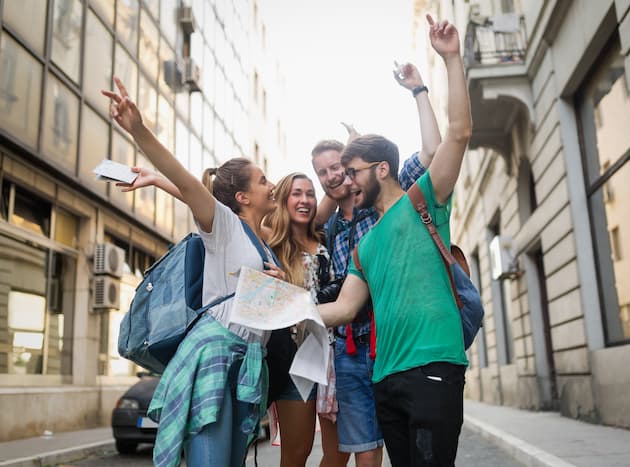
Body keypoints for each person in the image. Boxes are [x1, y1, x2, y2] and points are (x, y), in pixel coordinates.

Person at [103, 78, 285, 467]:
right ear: (242, 197)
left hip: (248, 361)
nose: (273, 186)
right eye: (264, 180)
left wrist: (279, 287)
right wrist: (138, 129)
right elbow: (187, 180)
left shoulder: (263, 241)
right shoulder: (222, 224)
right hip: (215, 355)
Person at [318, 14, 472, 466]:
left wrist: (448, 62)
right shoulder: (362, 247)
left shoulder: (422, 199)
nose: (346, 183)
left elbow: (458, 134)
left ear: (382, 169)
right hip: (384, 378)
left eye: (353, 173)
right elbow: (345, 308)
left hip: (433, 366)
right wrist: (283, 311)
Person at [310, 60, 440, 466]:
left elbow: (432, 153)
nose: (334, 176)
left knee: (399, 446)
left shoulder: (385, 202)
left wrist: (418, 90)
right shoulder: (328, 227)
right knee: (365, 449)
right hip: (349, 348)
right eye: (325, 173)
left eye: (341, 168)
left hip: (390, 343)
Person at [262, 172, 344, 467]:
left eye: (310, 193)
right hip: (294, 361)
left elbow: (331, 199)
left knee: (339, 452)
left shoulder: (323, 237)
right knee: (298, 452)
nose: (305, 200)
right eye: (297, 193)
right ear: (283, 199)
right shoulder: (271, 240)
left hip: (331, 354)